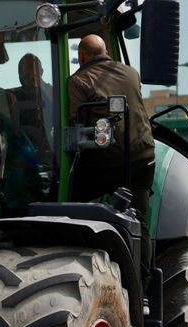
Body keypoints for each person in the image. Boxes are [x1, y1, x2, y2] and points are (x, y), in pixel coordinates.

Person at [67, 34, 156, 271]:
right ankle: (143, 286)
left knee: (71, 208)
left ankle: (84, 266)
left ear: (81, 55)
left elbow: (77, 124)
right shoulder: (131, 72)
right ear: (106, 50)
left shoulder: (78, 80)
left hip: (106, 164)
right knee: (141, 222)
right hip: (143, 157)